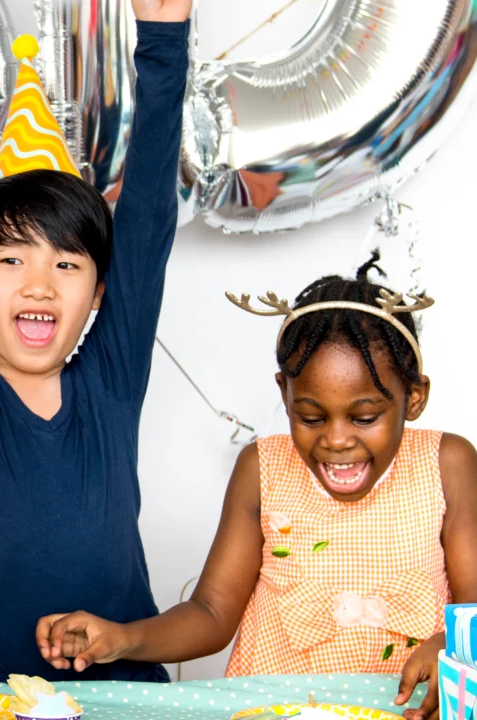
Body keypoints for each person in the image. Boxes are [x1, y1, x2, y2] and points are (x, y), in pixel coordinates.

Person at [0, 0, 192, 683]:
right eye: (12, 259)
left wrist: (164, 41)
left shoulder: (110, 380)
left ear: (101, 289)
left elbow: (147, 223)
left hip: (125, 697)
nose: (40, 285)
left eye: (67, 264)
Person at [37, 257, 477, 720]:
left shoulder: (447, 463)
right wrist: (121, 638)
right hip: (272, 710)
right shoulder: (261, 468)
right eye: (310, 416)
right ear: (284, 392)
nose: (337, 439)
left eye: (364, 417)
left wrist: (448, 644)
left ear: (414, 397)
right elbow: (211, 612)